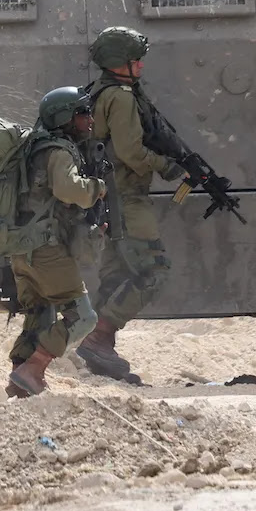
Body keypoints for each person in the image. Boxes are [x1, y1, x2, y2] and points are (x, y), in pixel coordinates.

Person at [76, 26, 185, 383]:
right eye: (135, 59)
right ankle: (98, 339)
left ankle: (97, 352)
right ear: (119, 63)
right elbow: (131, 153)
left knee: (116, 274)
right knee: (154, 270)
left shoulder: (103, 92)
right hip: (126, 199)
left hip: (110, 196)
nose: (140, 65)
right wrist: (168, 166)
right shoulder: (121, 97)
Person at [6, 87, 107, 397]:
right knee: (83, 317)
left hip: (22, 250)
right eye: (82, 113)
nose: (89, 119)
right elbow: (68, 190)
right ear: (65, 118)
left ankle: (19, 381)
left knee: (38, 313)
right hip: (46, 248)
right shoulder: (58, 150)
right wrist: (97, 188)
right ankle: (33, 368)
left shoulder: (34, 147)